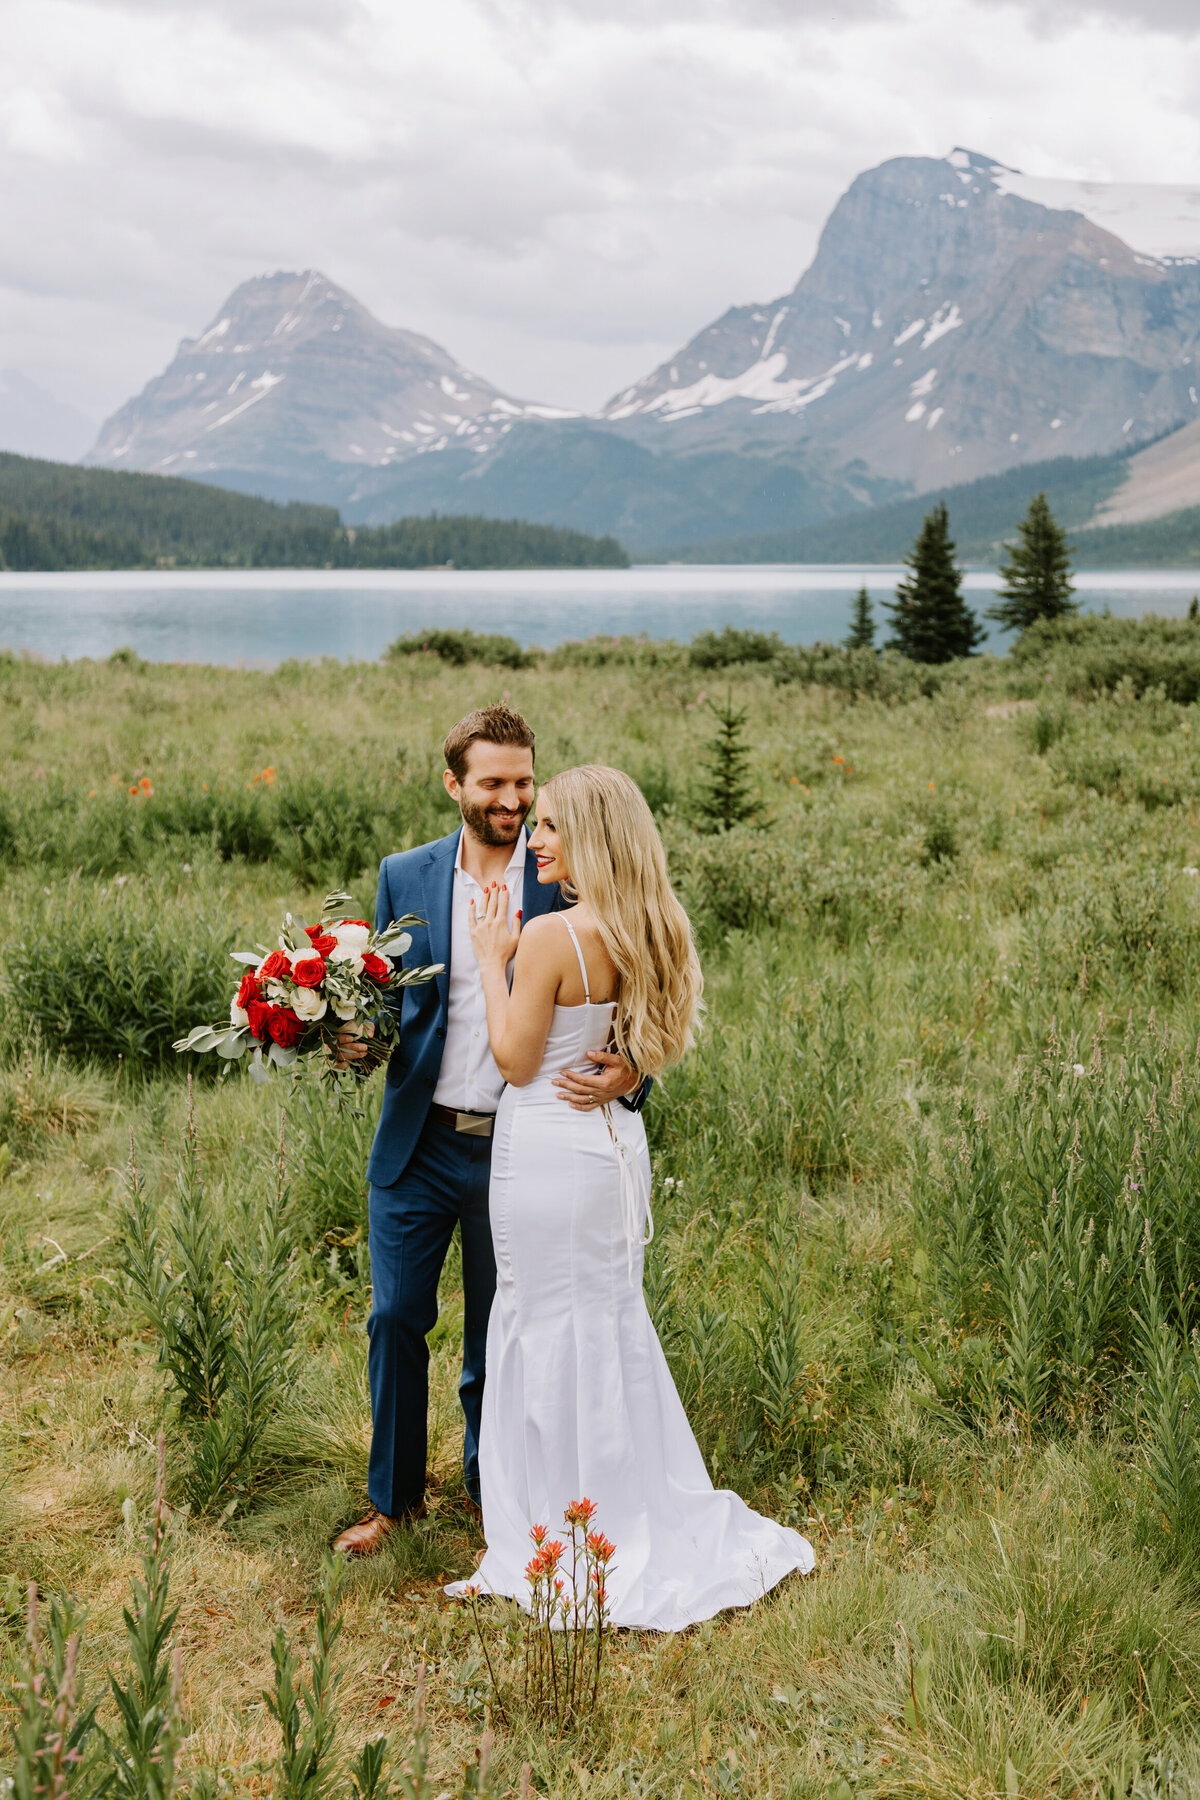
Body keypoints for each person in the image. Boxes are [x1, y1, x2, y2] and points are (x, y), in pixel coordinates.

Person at [449, 764, 814, 1629]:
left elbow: (515, 1060)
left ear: (590, 837)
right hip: (613, 1149)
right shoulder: (650, 926)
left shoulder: (547, 938)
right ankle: (623, 1502)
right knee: (606, 1318)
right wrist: (632, 1070)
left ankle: (564, 1522)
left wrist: (495, 960)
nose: (533, 838)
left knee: (543, 1320)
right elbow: (653, 1042)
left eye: (549, 827)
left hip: (547, 1151)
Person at [333, 707, 645, 1558]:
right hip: (420, 1141)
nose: (513, 801)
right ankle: (391, 1503)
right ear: (454, 786)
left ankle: (490, 1490)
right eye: (494, 784)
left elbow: (636, 974)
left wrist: (636, 1068)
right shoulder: (406, 874)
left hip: (524, 1149)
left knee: (499, 1331)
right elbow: (391, 1001)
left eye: (524, 783)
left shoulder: (563, 868)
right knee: (395, 1316)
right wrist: (347, 1034)